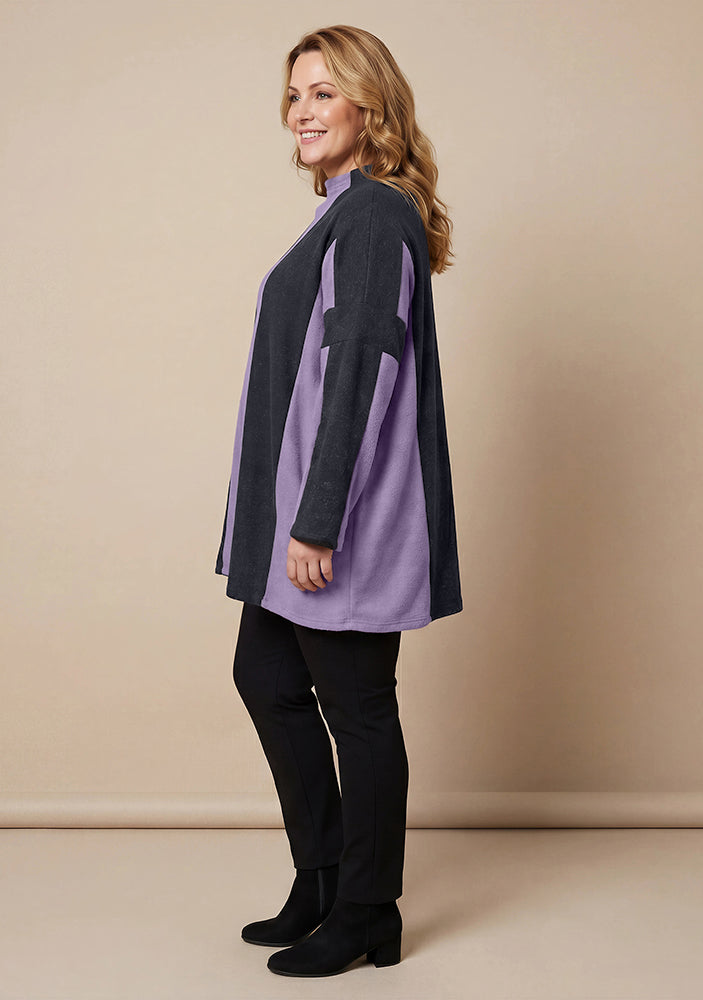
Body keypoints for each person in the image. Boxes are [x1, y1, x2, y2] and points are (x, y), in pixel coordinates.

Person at [215, 24, 461, 978]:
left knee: (358, 710)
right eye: (294, 95)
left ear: (370, 105)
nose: (301, 112)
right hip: (299, 512)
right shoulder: (346, 213)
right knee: (269, 678)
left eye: (323, 92)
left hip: (336, 520)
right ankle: (321, 880)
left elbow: (357, 370)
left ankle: (367, 909)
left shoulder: (371, 217)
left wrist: (318, 521)